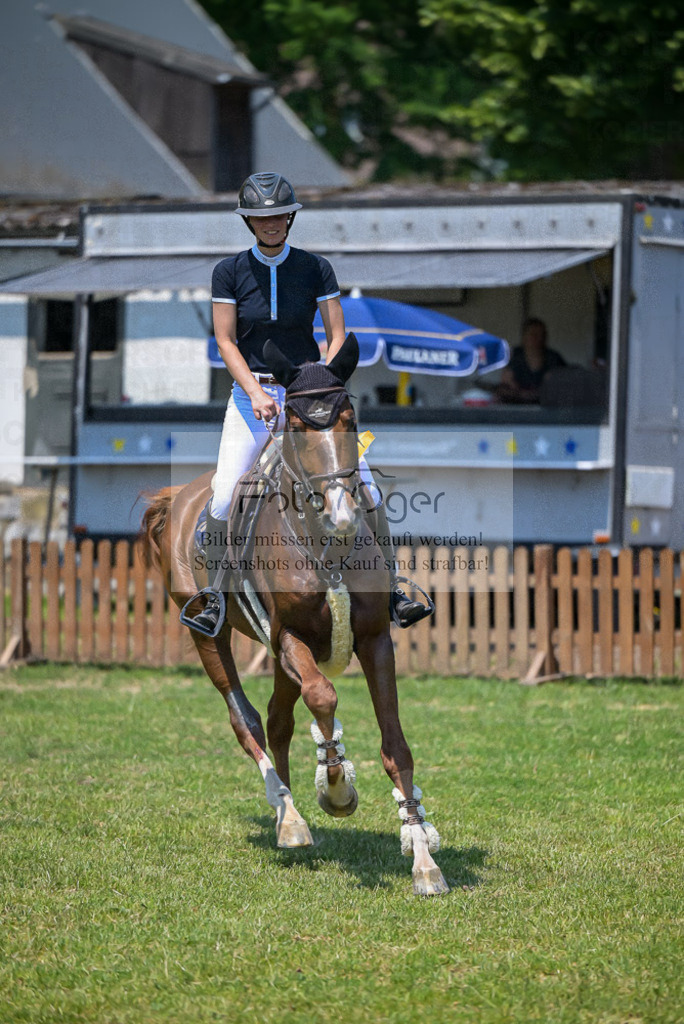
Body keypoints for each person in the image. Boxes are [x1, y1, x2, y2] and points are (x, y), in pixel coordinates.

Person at [188, 171, 431, 634]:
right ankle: (216, 596)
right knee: (224, 496)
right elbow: (225, 341)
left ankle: (394, 590)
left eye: (280, 215)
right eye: (262, 218)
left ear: (290, 218)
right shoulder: (229, 272)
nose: (272, 223)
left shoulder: (316, 268)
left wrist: (324, 381)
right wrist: (256, 392)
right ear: (249, 222)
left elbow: (337, 334)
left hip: (308, 395)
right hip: (252, 395)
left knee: (369, 489)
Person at [496, 318, 566, 404]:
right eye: (534, 335)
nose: (539, 339)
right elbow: (505, 384)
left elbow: (564, 387)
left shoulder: (554, 358)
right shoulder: (515, 355)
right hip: (517, 405)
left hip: (547, 406)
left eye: (543, 335)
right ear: (524, 337)